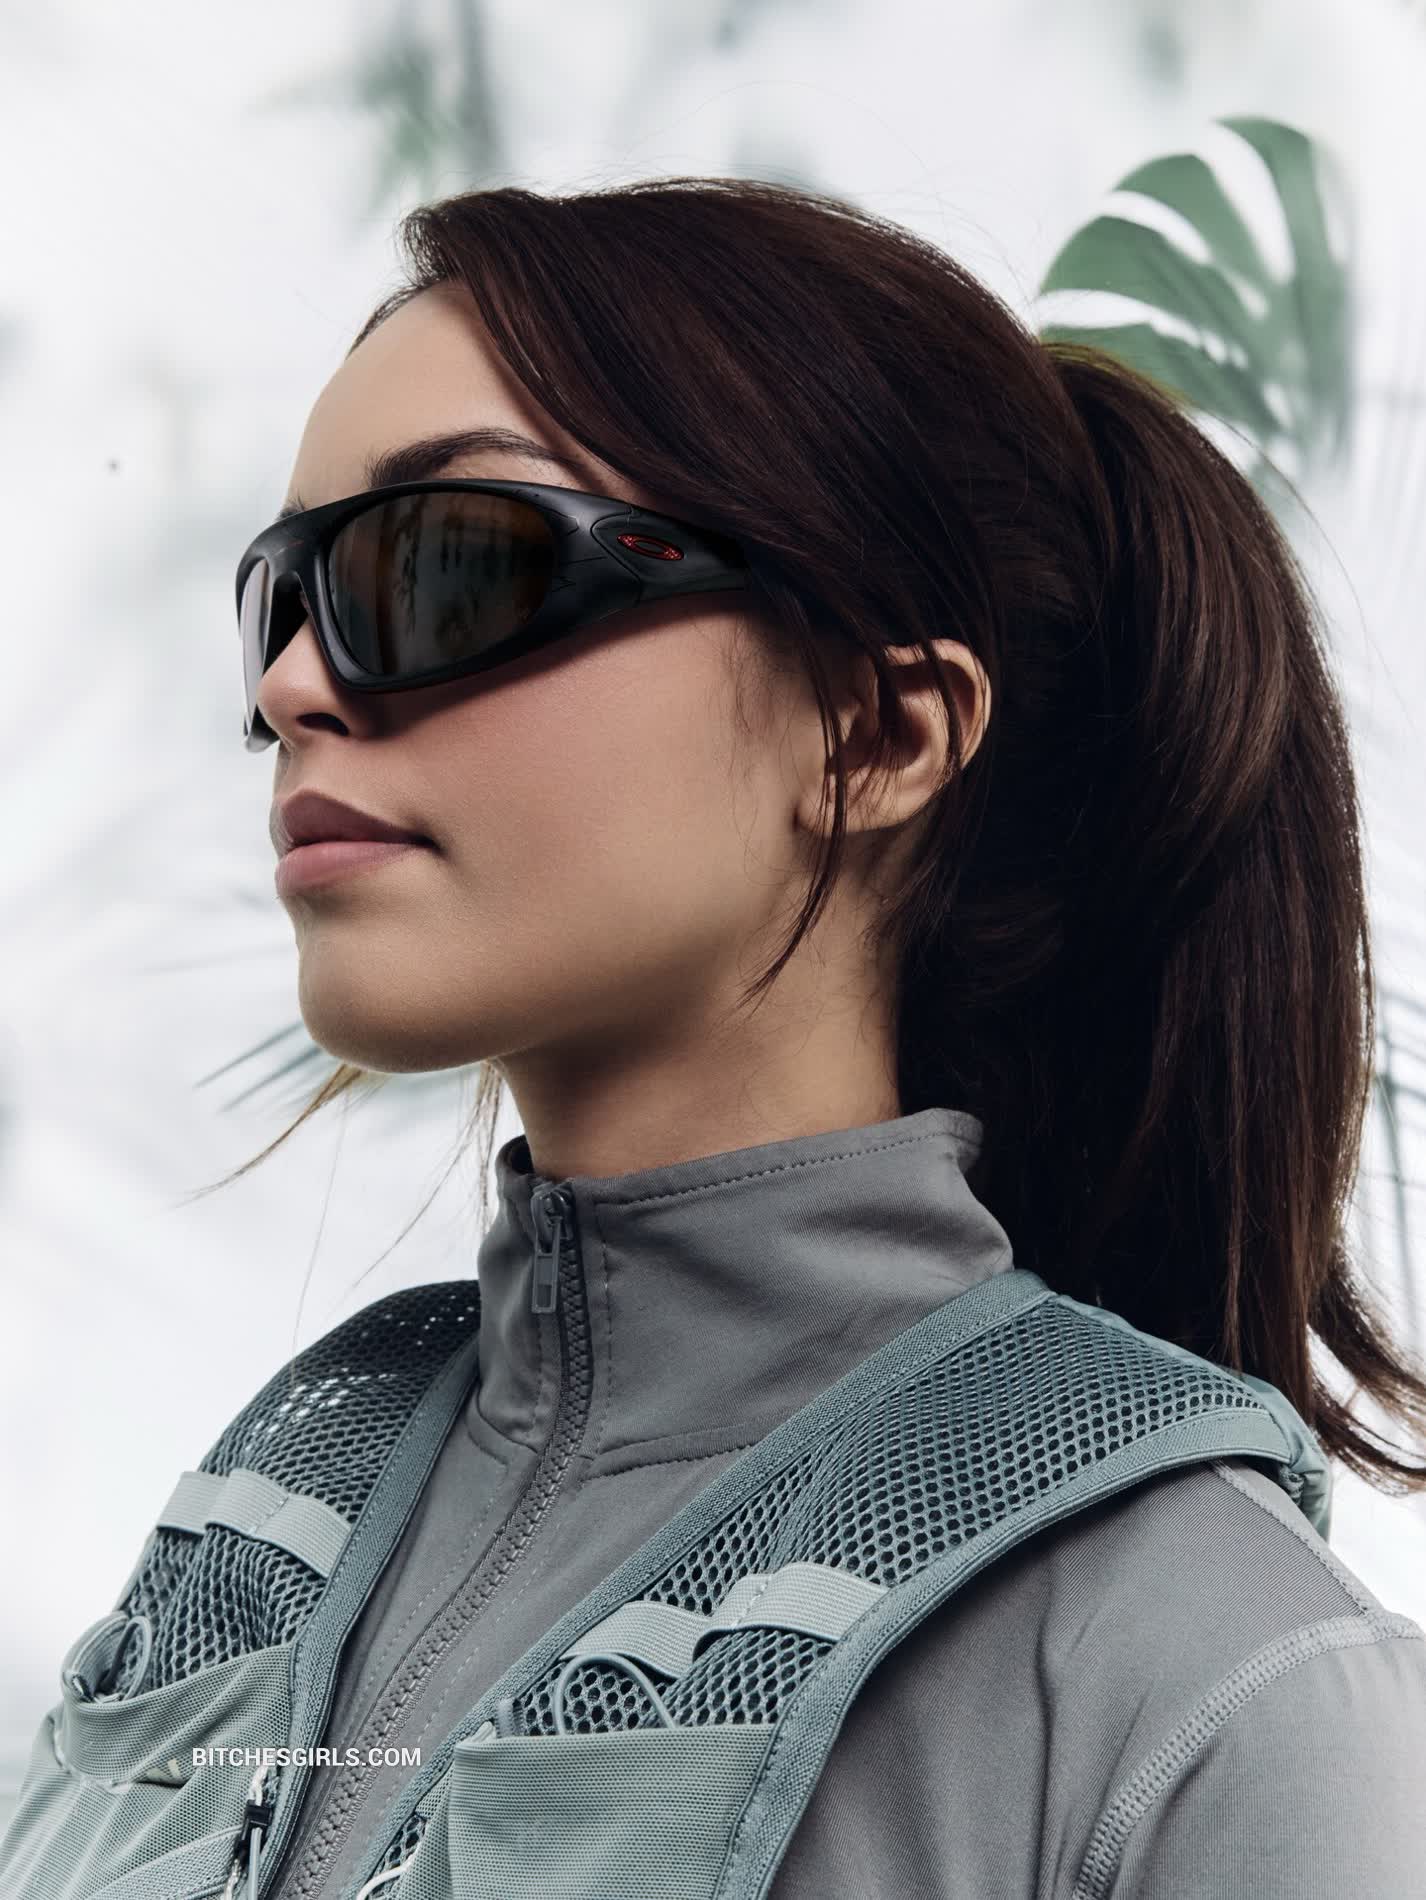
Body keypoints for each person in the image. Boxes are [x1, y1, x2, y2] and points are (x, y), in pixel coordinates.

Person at [7, 176, 1426, 1900]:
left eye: (446, 563)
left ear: (878, 733)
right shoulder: (243, 1551)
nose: (296, 686)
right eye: (285, 597)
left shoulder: (1217, 1685)